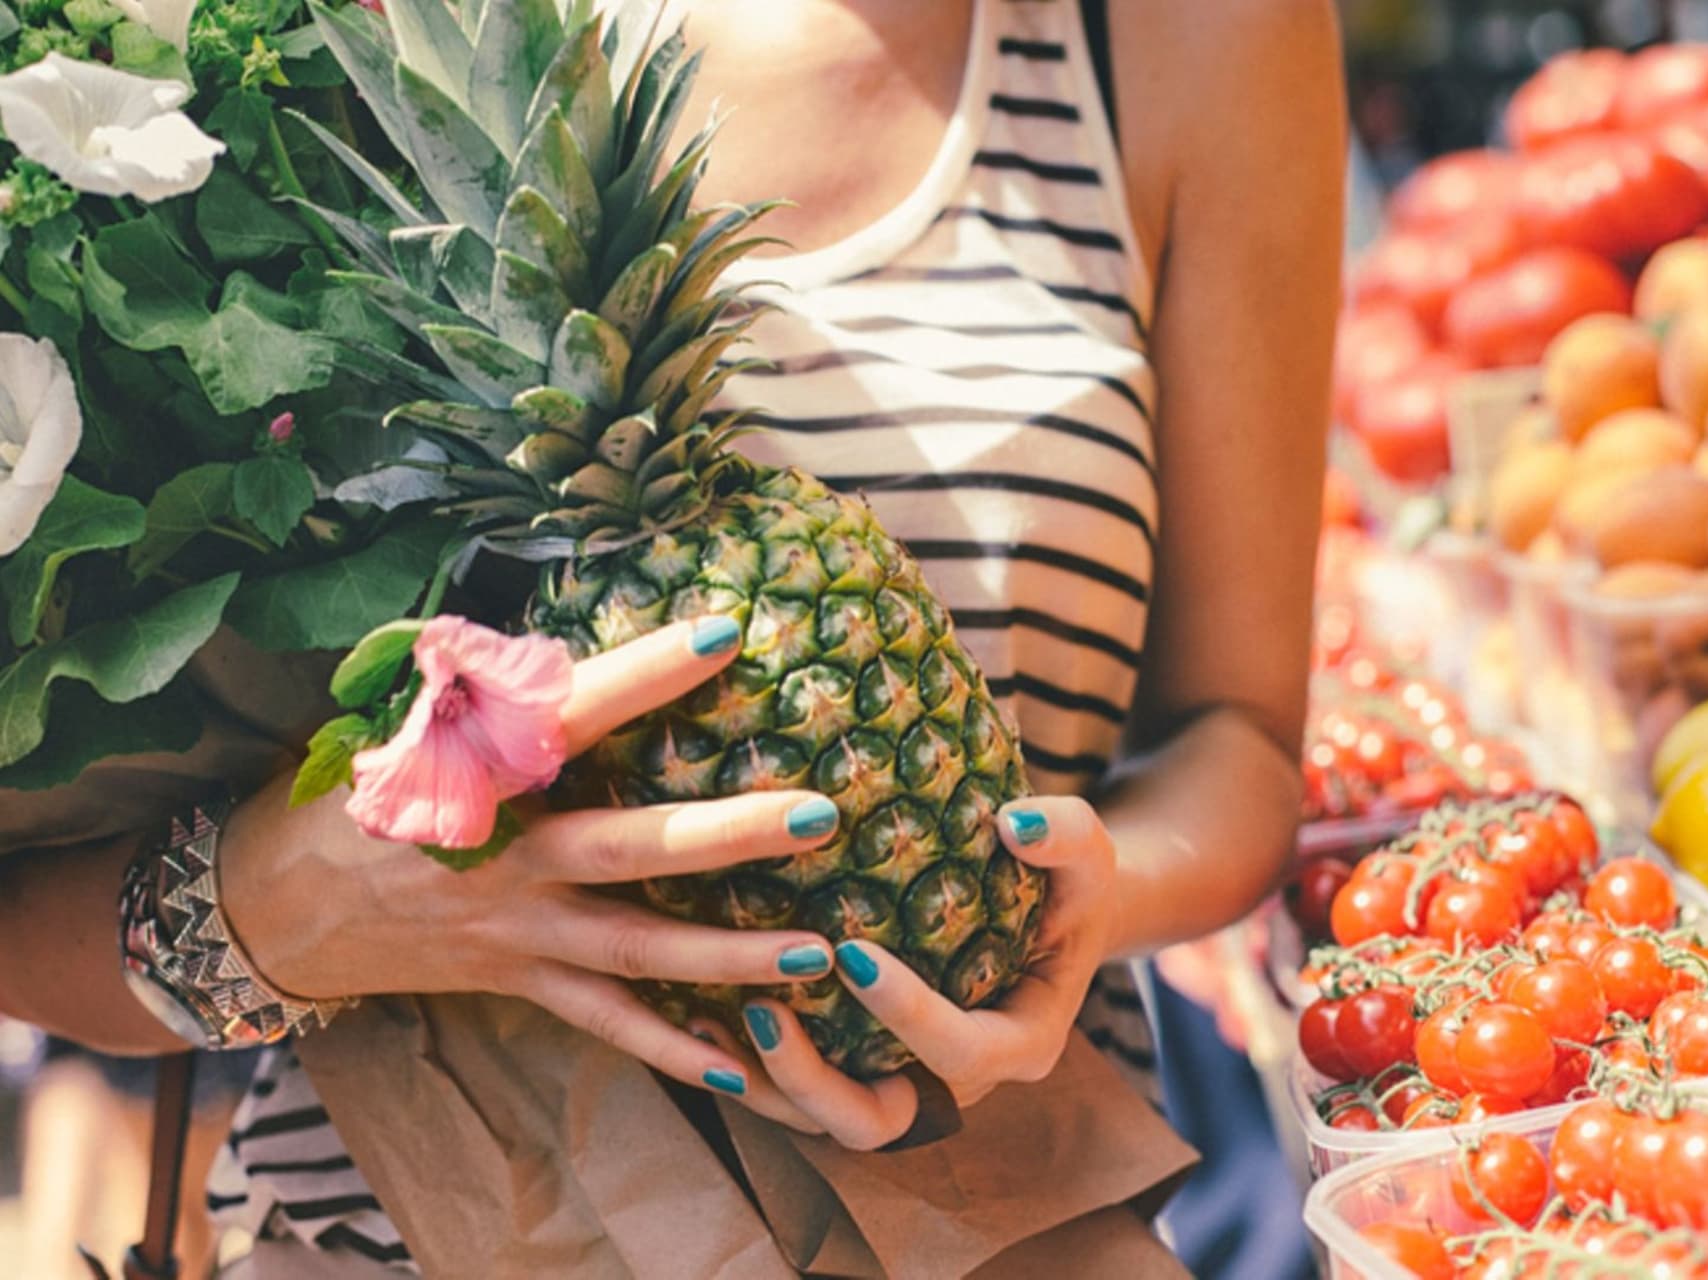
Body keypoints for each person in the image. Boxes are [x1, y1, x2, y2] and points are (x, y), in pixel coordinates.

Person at [0, 0, 1342, 1270]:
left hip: (999, 1198)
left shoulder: (1186, 41)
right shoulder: (351, 42)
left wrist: (1087, 897)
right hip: (417, 1209)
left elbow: (1235, 733)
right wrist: (279, 899)